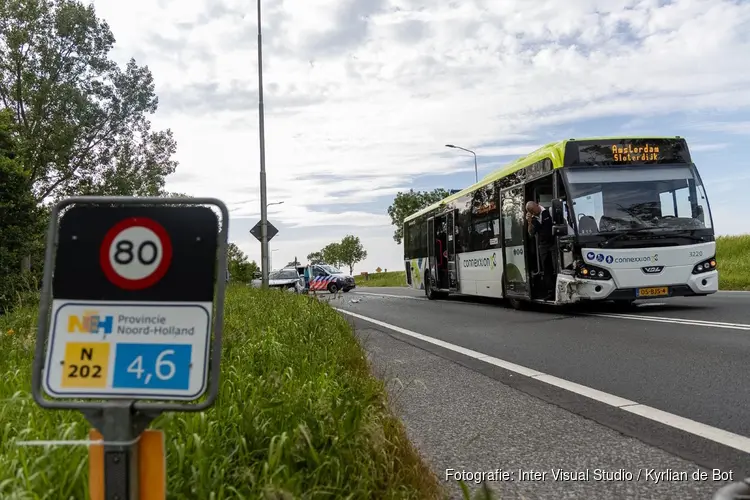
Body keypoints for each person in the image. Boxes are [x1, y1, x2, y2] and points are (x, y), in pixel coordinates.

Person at [525, 200, 555, 299]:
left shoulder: (548, 212)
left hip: (553, 242)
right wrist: (529, 222)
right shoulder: (533, 218)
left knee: (555, 265)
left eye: (534, 211)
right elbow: (531, 233)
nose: (534, 213)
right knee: (546, 268)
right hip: (543, 245)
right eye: (532, 212)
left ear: (537, 205)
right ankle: (550, 292)